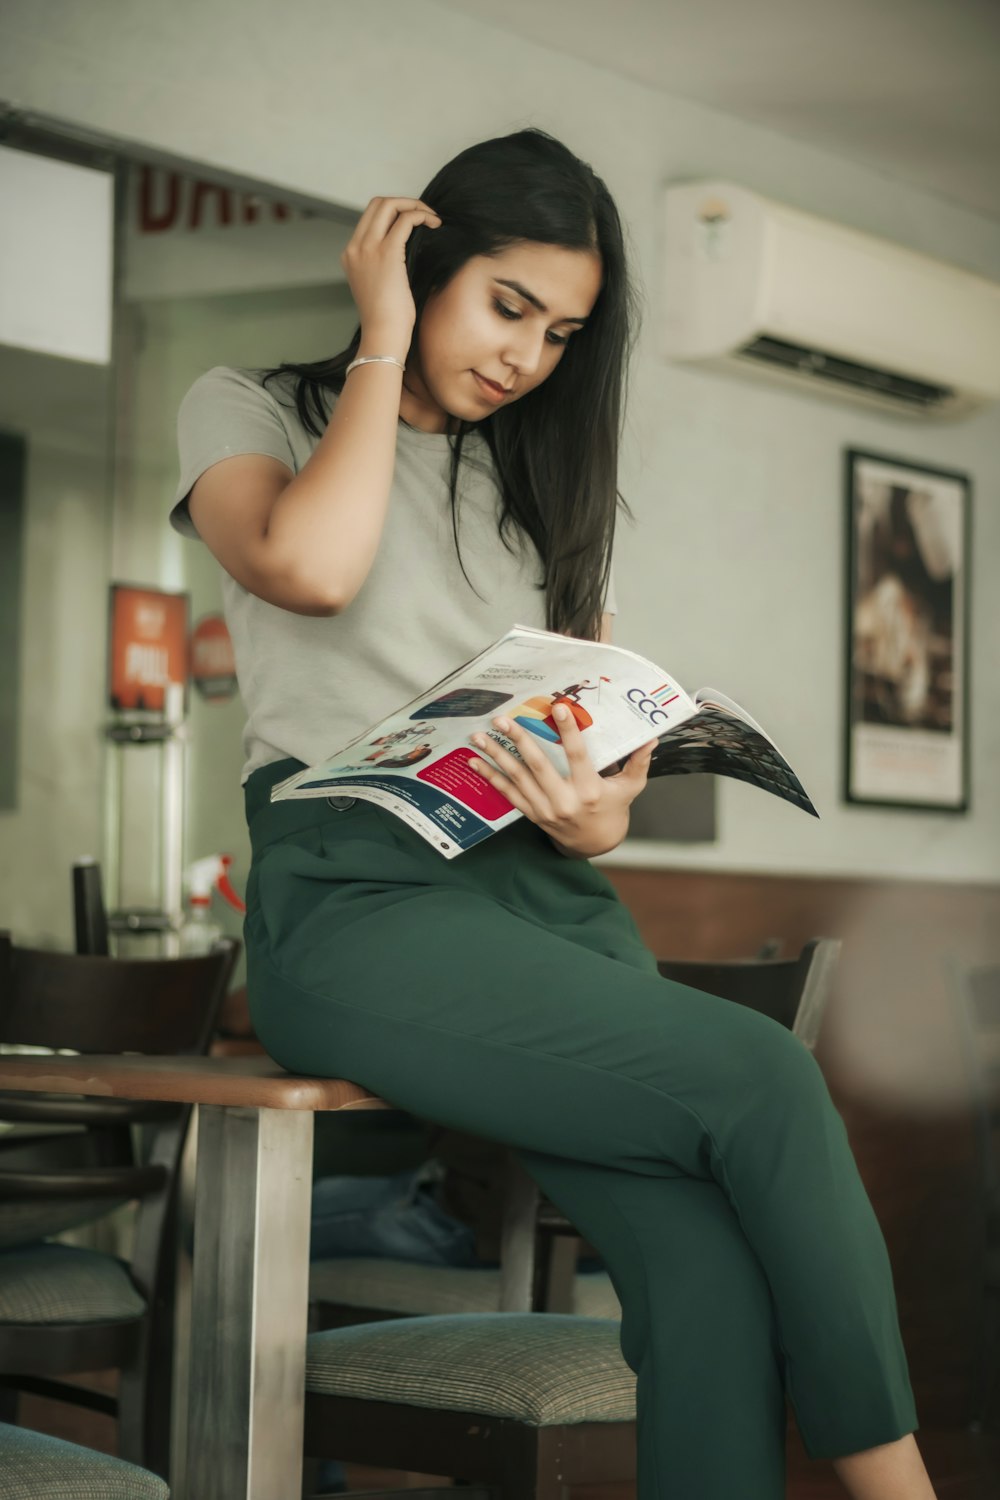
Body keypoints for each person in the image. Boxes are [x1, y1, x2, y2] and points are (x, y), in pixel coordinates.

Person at [171, 128, 935, 1499]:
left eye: (563, 332)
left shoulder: (546, 488)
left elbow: (593, 766)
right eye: (506, 306)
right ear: (421, 265)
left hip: (546, 898)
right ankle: (899, 1486)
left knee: (704, 1271)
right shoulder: (252, 405)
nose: (528, 356)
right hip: (355, 903)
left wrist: (598, 824)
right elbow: (310, 566)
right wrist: (381, 343)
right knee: (765, 1077)